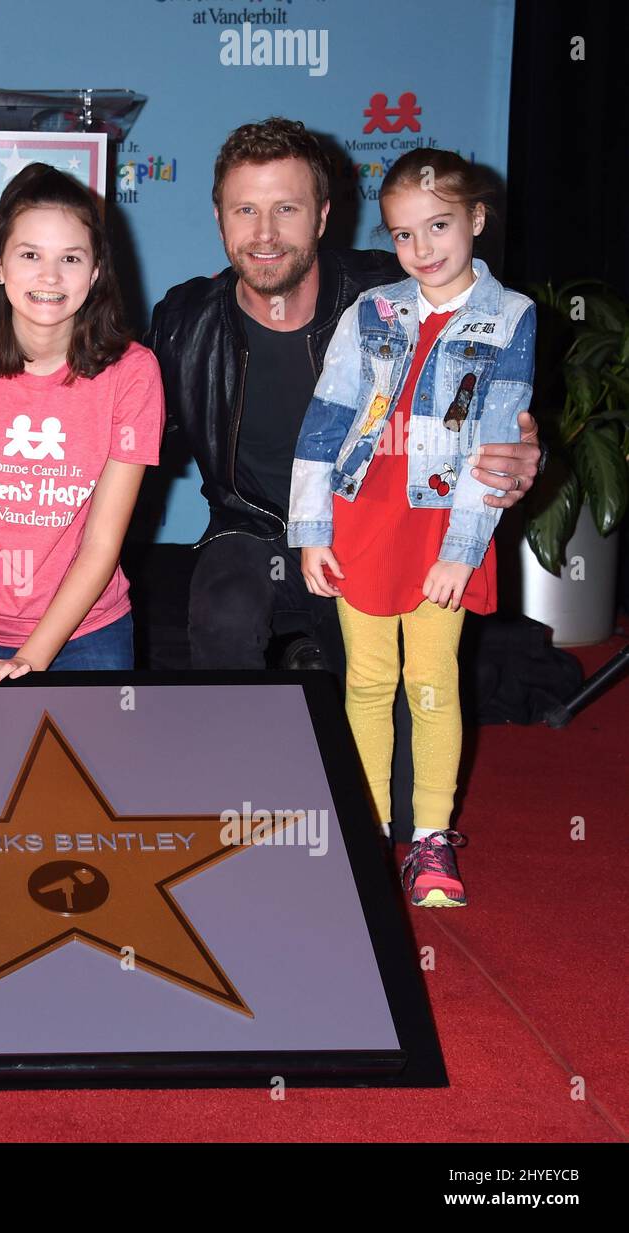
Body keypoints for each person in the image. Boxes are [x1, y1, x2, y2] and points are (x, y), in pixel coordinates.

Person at [148, 118, 542, 674]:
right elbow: (130, 440)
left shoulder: (394, 297)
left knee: (388, 722)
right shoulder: (184, 322)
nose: (264, 233)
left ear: (323, 215)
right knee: (223, 617)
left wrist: (522, 459)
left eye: (286, 209)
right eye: (245, 211)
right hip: (250, 527)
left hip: (371, 523)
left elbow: (489, 398)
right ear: (219, 221)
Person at [289, 149, 535, 907]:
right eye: (402, 234)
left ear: (476, 220)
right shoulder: (371, 310)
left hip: (440, 530)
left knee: (431, 683)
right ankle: (366, 834)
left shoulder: (513, 316)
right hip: (361, 520)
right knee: (364, 683)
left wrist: (464, 551)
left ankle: (430, 838)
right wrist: (310, 527)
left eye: (437, 226)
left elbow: (499, 449)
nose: (421, 249)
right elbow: (326, 419)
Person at [0, 164, 163, 688]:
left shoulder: (133, 374)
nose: (50, 277)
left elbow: (101, 542)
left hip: (85, 631)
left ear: (95, 272)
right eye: (30, 255)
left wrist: (32, 658)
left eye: (71, 258)